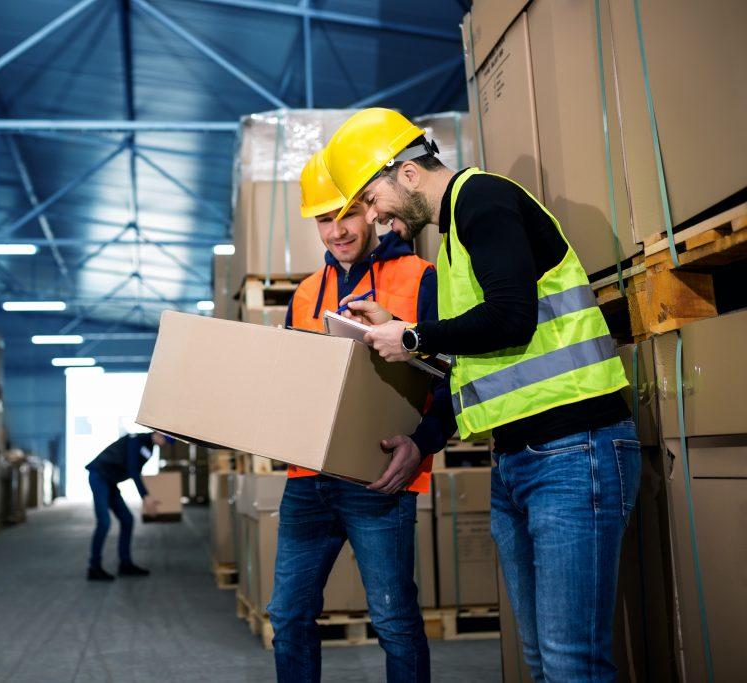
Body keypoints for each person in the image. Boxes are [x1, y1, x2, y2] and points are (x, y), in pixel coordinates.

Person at [325, 108, 639, 682]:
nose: (374, 217)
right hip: (520, 457)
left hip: (574, 448)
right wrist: (399, 334)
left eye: (371, 198)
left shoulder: (483, 200)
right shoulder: (451, 242)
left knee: (572, 664)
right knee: (543, 661)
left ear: (408, 173)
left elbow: (512, 318)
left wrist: (416, 334)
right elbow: (473, 356)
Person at [265, 150, 455, 683]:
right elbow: (289, 381)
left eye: (347, 213)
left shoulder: (421, 277)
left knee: (393, 621)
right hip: (307, 481)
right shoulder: (304, 293)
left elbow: (449, 376)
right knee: (288, 615)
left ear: (371, 209)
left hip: (380, 477)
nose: (337, 230)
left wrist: (425, 442)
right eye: (324, 219)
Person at [85, 430, 168, 581]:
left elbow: (137, 471)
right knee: (104, 522)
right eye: (165, 439)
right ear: (157, 433)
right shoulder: (135, 440)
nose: (165, 444)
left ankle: (125, 564)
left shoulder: (150, 448)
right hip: (99, 476)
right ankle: (94, 568)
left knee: (127, 520)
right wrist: (145, 496)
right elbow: (132, 470)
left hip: (110, 481)